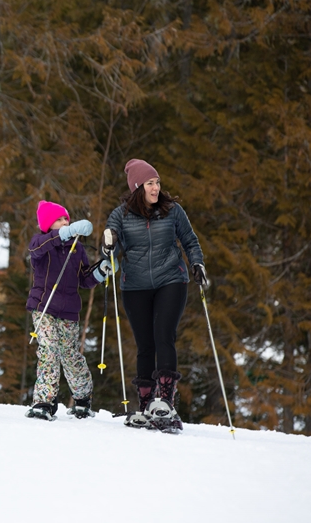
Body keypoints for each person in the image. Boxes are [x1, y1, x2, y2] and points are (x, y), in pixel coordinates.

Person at [103, 158, 207, 432]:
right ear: (138, 186)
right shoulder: (121, 215)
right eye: (150, 183)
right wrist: (108, 245)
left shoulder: (173, 211)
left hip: (171, 280)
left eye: (158, 182)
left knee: (164, 335)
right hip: (135, 285)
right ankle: (146, 405)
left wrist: (197, 263)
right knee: (145, 345)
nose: (156, 187)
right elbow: (110, 241)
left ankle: (165, 403)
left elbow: (189, 240)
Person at [25, 201, 110, 421]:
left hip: (69, 311)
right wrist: (67, 232)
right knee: (49, 350)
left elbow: (83, 278)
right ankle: (44, 401)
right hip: (43, 307)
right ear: (48, 224)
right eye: (61, 220)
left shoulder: (77, 248)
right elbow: (36, 249)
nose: (66, 223)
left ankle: (82, 399)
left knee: (70, 355)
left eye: (68, 220)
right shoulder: (40, 242)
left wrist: (100, 271)